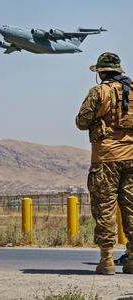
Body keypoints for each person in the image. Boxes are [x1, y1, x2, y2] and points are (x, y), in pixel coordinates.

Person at [76, 52, 133, 275]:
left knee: (105, 208)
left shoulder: (99, 92)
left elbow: (81, 121)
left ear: (100, 72)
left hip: (106, 159)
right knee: (131, 208)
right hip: (132, 157)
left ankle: (107, 259)